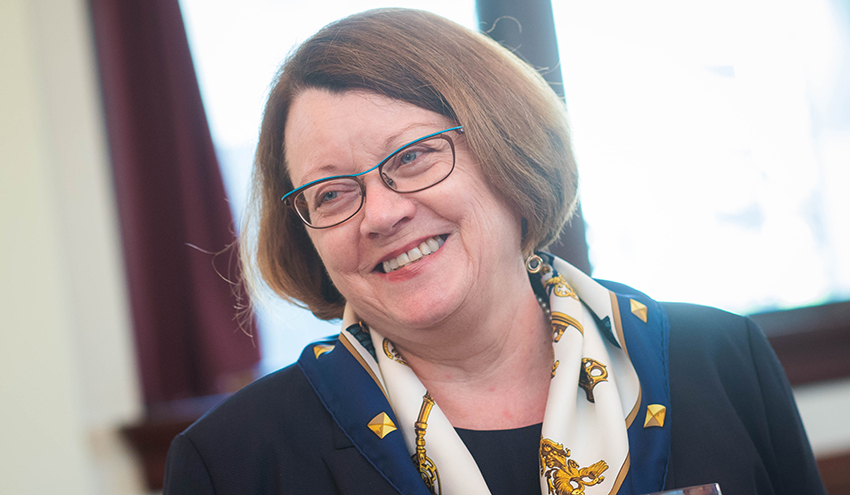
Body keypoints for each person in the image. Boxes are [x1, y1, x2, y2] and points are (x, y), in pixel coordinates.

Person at [163, 8, 825, 495]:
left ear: (506, 150)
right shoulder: (233, 463)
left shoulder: (722, 361)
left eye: (414, 155)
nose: (384, 212)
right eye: (333, 193)